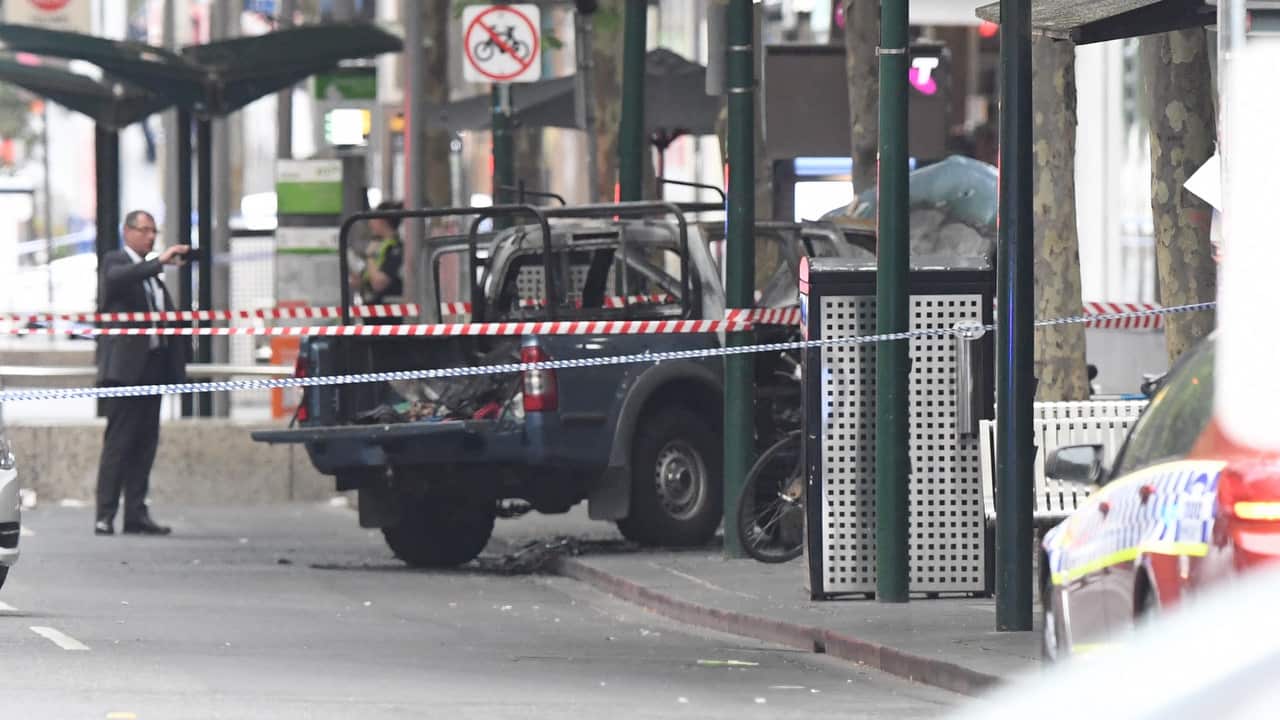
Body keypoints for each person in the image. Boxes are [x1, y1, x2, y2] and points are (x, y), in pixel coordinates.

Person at [93, 210, 190, 536]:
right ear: (128, 232)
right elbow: (120, 278)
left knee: (145, 443)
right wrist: (159, 261)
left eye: (154, 231)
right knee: (119, 443)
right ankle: (104, 514)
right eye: (145, 230)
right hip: (125, 372)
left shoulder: (152, 278)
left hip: (153, 368)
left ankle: (136, 513)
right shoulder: (116, 262)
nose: (150, 236)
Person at [349, 200, 405, 325]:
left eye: (373, 219)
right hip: (372, 314)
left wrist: (369, 256)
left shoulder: (395, 248)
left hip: (389, 318)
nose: (370, 224)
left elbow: (379, 283)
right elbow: (366, 280)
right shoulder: (378, 247)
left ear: (382, 221)